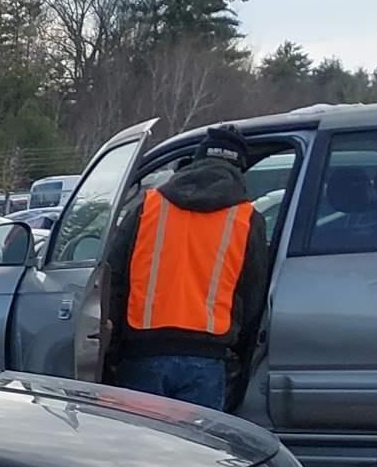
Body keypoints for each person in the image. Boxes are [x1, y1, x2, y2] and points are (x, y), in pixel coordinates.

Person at [99, 124, 272, 412]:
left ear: (196, 159)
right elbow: (253, 298)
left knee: (138, 452)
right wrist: (239, 355)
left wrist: (112, 351)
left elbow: (113, 281)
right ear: (240, 168)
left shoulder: (149, 206)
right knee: (196, 454)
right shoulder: (247, 219)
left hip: (142, 357)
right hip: (207, 363)